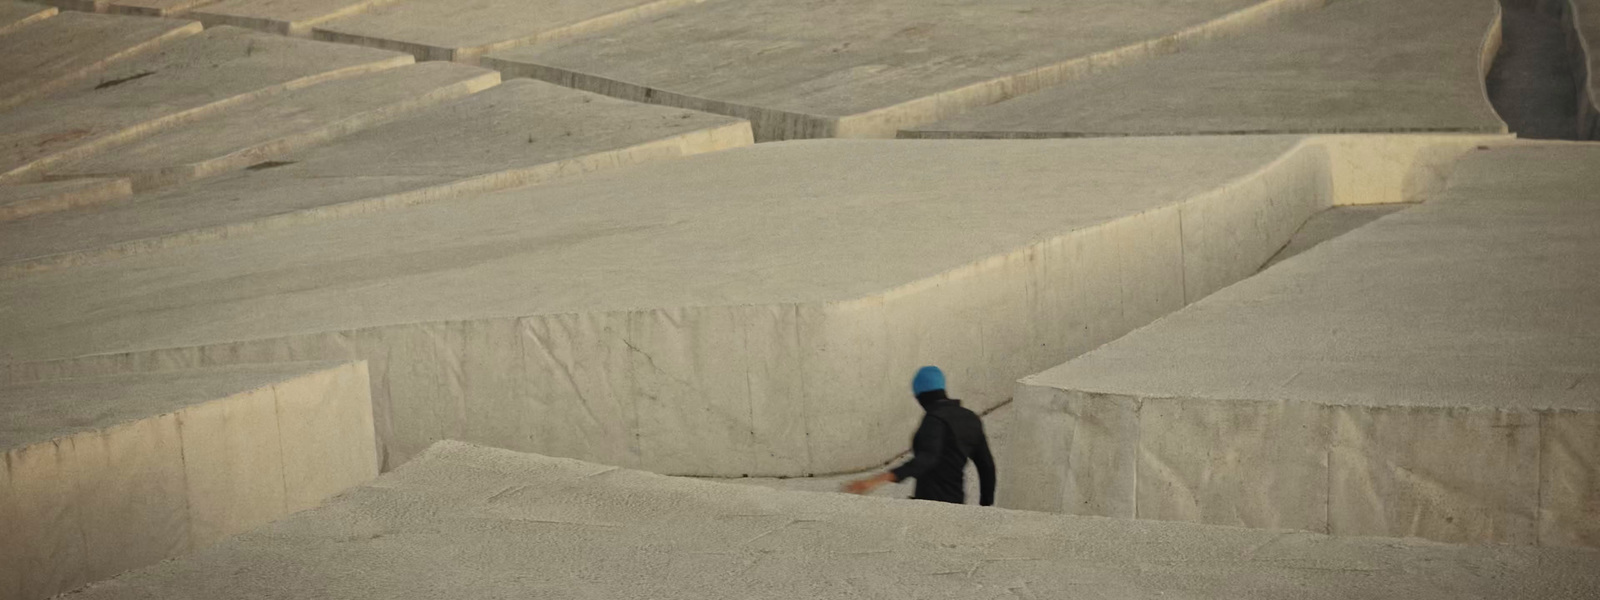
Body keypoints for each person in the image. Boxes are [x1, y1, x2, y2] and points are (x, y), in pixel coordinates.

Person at [842, 366, 996, 505]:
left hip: (930, 506)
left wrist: (875, 481)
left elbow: (926, 459)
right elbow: (987, 466)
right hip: (956, 503)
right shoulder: (971, 419)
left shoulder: (934, 420)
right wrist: (985, 507)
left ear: (921, 395)